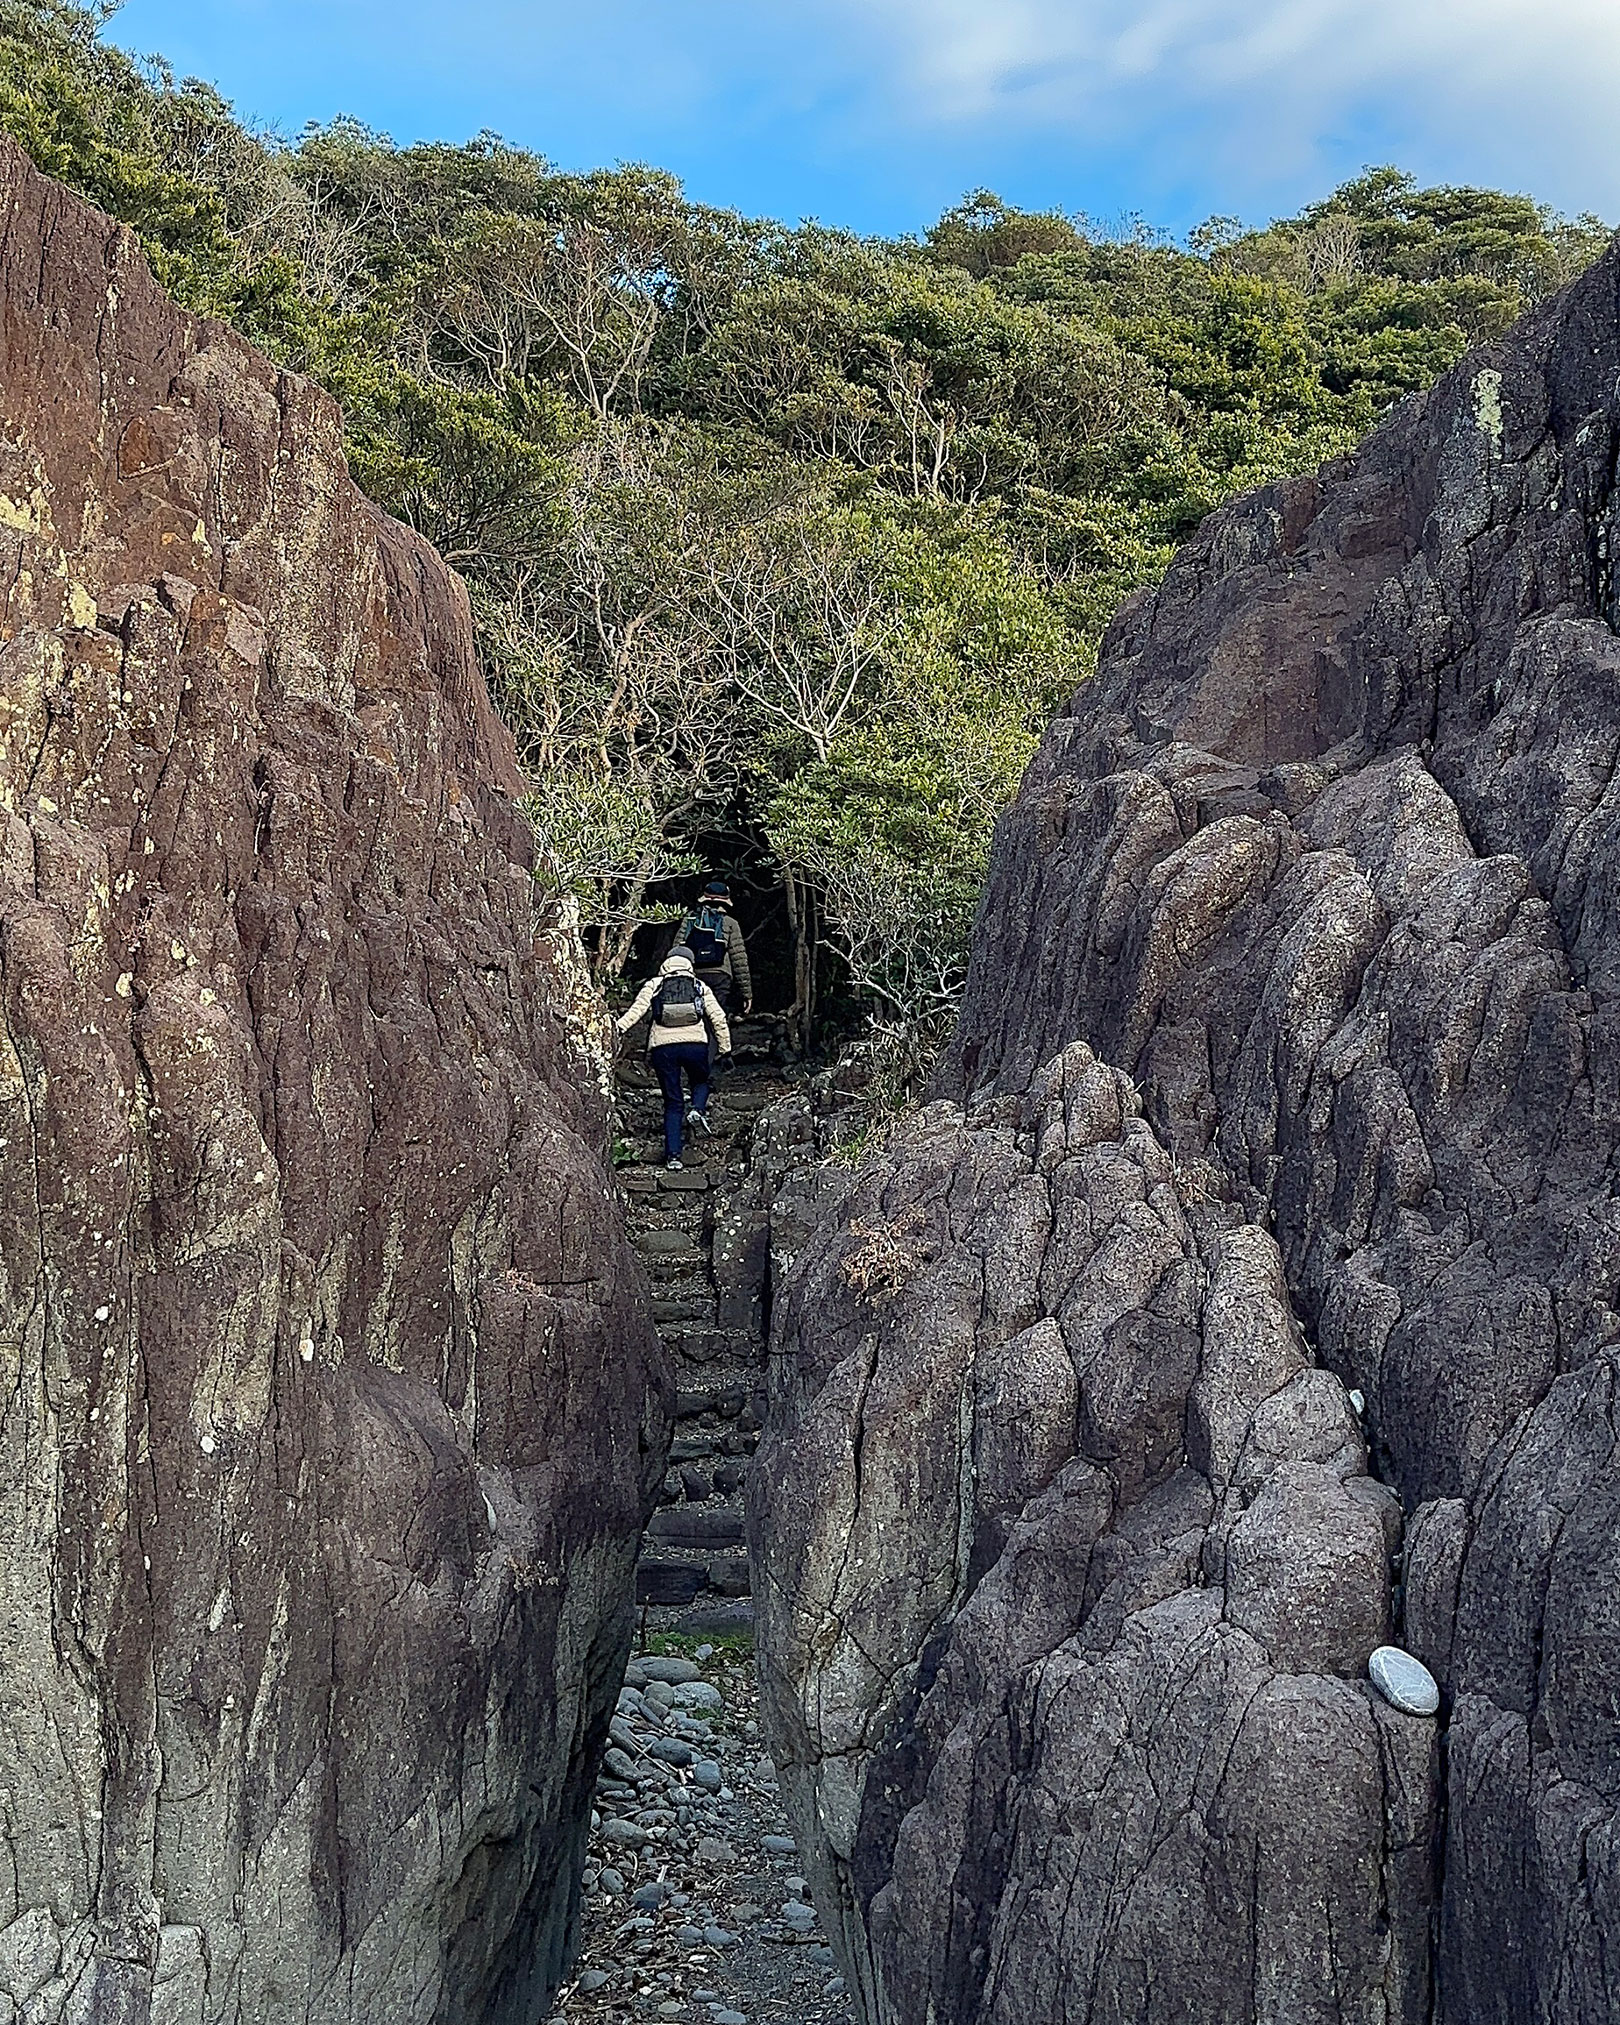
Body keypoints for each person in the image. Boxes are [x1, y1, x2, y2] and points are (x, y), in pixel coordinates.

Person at [615, 947, 732, 1171]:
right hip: (695, 1045)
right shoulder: (699, 985)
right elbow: (718, 1017)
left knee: (673, 1102)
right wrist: (724, 1049)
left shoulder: (655, 984)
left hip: (663, 1048)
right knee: (701, 1081)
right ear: (690, 963)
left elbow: (635, 1012)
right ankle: (697, 1109)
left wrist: (616, 1028)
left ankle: (673, 1157)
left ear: (667, 963)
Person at [676, 879, 753, 1019]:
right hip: (720, 976)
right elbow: (739, 960)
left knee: (694, 1015)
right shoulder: (730, 923)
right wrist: (746, 993)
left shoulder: (689, 919)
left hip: (692, 974)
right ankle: (714, 1040)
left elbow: (676, 950)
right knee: (716, 1017)